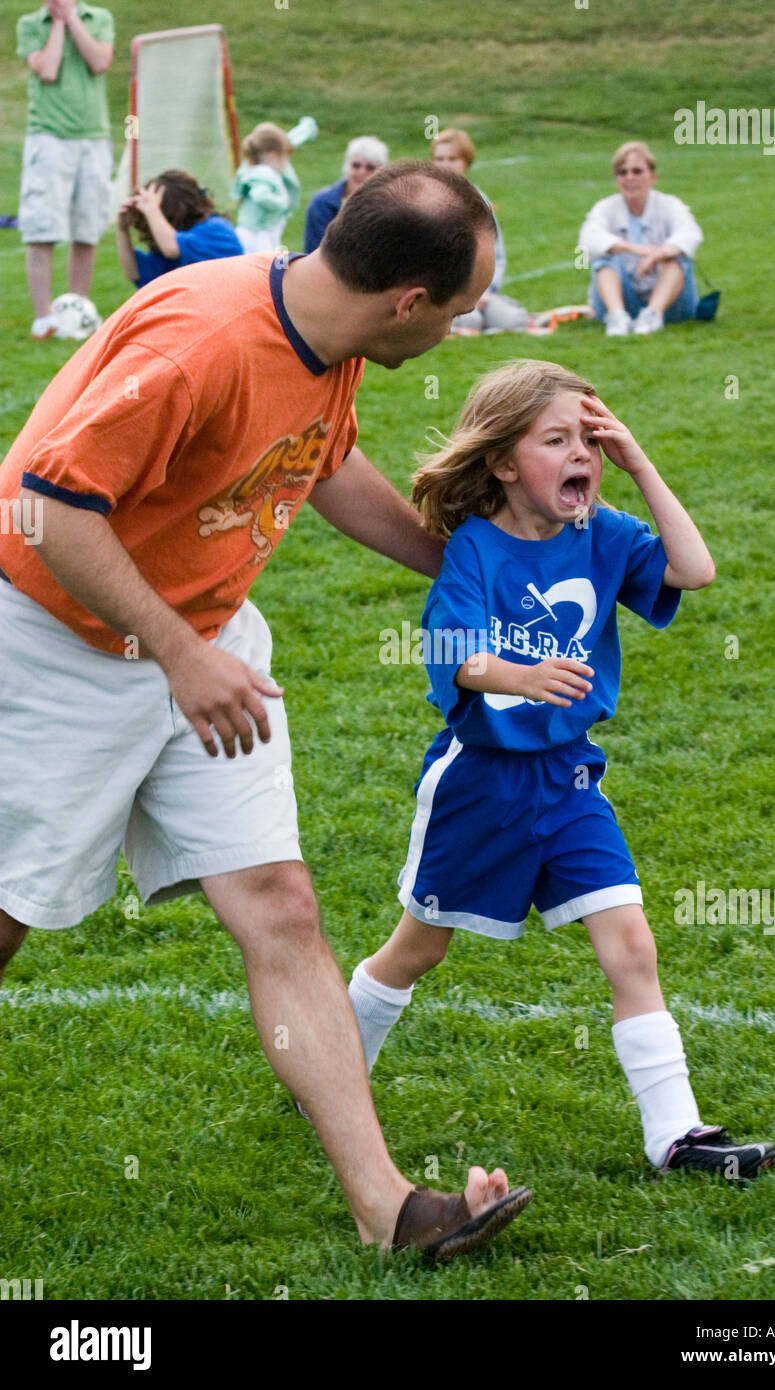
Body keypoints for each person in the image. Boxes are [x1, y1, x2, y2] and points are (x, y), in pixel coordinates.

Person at [0, 161, 532, 1261]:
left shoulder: (321, 330)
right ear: (407, 304)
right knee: (8, 919)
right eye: (460, 312)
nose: (456, 331)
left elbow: (317, 460)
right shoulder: (200, 340)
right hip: (52, 645)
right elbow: (51, 510)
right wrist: (180, 653)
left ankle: (389, 1210)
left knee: (282, 904)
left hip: (200, 642)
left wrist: (447, 564)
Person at [348, 359, 775, 1182]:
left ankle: (675, 1136)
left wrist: (641, 465)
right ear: (504, 463)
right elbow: (453, 654)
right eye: (557, 440)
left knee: (632, 947)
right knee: (417, 950)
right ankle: (331, 1072)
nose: (581, 452)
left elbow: (695, 570)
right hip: (480, 786)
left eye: (589, 438)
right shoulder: (475, 547)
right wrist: (520, 676)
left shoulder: (603, 536)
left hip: (572, 782)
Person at [16, 0, 114, 340]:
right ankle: (44, 318)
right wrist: (57, 24)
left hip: (93, 138)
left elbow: (99, 61)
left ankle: (79, 312)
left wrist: (72, 18)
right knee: (42, 230)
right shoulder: (31, 24)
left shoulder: (99, 18)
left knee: (86, 230)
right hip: (48, 138)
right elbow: (48, 68)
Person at [577, 141, 702, 335]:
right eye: (622, 172)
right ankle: (617, 316)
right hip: (625, 294)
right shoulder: (605, 208)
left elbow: (690, 235)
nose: (630, 178)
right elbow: (587, 242)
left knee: (677, 259)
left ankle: (653, 314)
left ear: (653, 176)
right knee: (602, 261)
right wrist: (637, 249)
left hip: (671, 301)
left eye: (637, 171)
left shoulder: (670, 205)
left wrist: (658, 255)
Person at [430, 127, 531, 332]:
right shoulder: (425, 201)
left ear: (466, 162)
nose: (445, 165)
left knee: (512, 322)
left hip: (480, 292)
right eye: (440, 159)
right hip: (443, 294)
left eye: (452, 159)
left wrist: (483, 291)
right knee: (470, 322)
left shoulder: (479, 200)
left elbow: (495, 253)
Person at [116, 168, 244, 288]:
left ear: (175, 210)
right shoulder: (170, 243)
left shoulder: (216, 228)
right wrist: (122, 230)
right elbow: (135, 273)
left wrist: (152, 210)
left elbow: (171, 248)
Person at [231, 122, 308, 254]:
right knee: (263, 269)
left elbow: (290, 141)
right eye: (285, 158)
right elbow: (260, 195)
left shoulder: (255, 170)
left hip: (259, 233)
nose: (286, 164)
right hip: (258, 237)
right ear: (273, 156)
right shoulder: (265, 174)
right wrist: (282, 203)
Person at [303, 136, 388, 253]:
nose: (362, 172)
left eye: (370, 167)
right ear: (347, 167)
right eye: (356, 165)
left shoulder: (388, 206)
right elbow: (314, 250)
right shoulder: (322, 203)